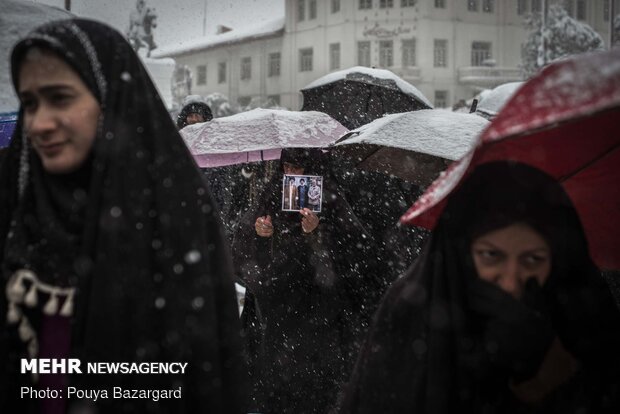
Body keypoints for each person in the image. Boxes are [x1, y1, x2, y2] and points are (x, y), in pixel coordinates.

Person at [0, 19, 247, 413]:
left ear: (110, 97)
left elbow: (193, 380)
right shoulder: (16, 200)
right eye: (29, 103)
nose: (39, 123)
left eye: (60, 97)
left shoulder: (172, 214)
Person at [336, 161, 620, 414]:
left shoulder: (576, 316)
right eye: (491, 256)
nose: (511, 280)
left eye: (533, 259)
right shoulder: (414, 309)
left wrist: (551, 372)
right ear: (462, 252)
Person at [232, 148, 383, 414]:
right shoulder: (272, 193)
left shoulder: (331, 198)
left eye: (298, 168)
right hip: (280, 305)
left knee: (315, 380)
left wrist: (316, 233)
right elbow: (249, 250)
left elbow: (355, 251)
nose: (290, 174)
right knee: (278, 378)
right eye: (286, 167)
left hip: (319, 308)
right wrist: (262, 233)